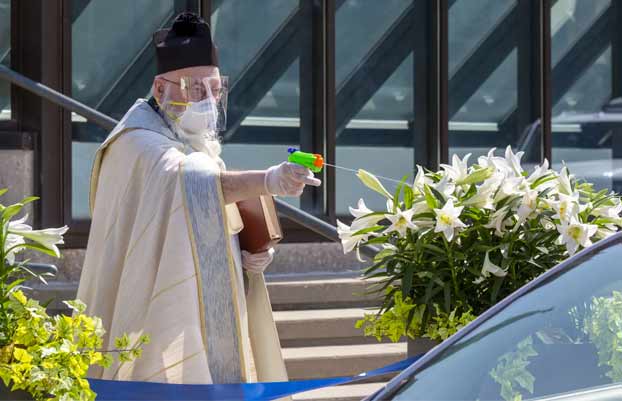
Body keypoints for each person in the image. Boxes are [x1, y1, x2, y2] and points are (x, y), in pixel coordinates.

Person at [75, 11, 321, 385]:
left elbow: (208, 208)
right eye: (195, 89)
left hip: (203, 304)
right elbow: (190, 183)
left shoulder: (193, 142)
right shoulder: (136, 142)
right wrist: (269, 180)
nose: (207, 101)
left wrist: (245, 253)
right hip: (150, 299)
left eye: (215, 89)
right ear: (160, 89)